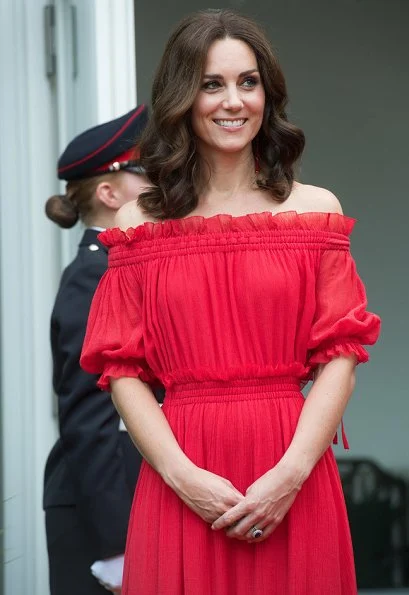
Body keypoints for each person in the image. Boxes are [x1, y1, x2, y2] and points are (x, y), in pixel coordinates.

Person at [81, 9, 381, 595]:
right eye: (211, 84)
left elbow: (341, 356)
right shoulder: (138, 221)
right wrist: (181, 475)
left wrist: (290, 477)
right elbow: (121, 369)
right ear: (182, 97)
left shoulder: (314, 209)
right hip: (181, 472)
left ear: (268, 94)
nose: (233, 101)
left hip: (292, 468)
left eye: (248, 82)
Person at [43, 105, 163, 595]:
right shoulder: (94, 276)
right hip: (103, 508)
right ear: (110, 193)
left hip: (126, 493)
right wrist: (115, 547)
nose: (160, 182)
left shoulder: (122, 269)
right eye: (146, 172)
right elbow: (88, 414)